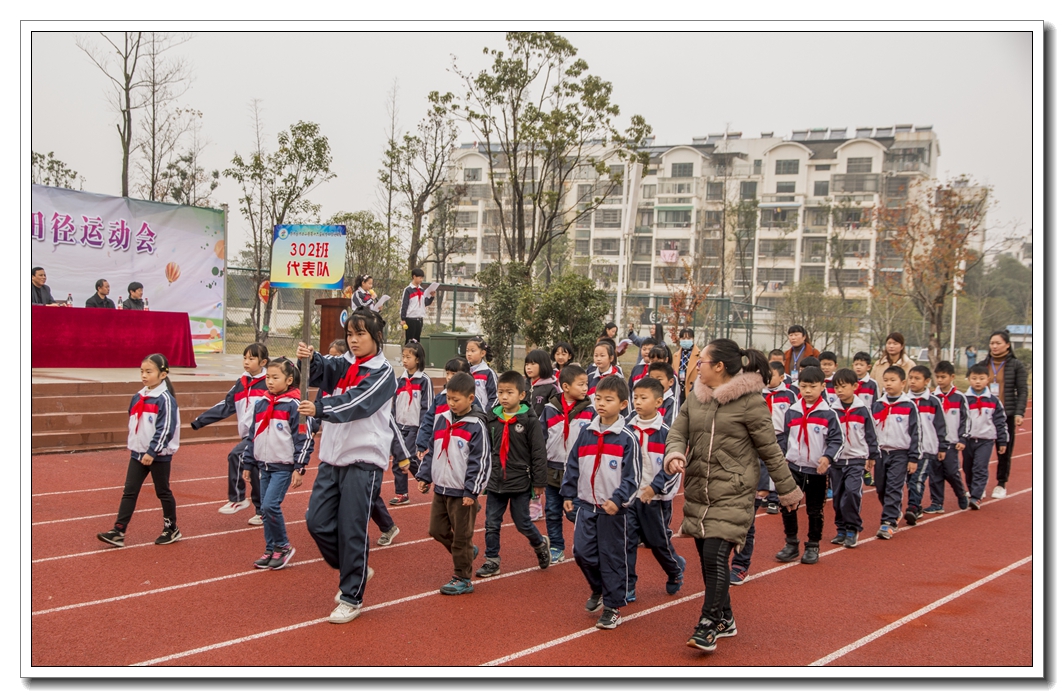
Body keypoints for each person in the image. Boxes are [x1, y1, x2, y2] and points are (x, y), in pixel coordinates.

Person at [664, 339, 802, 653]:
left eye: (703, 360)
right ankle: (725, 616)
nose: (697, 364)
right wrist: (674, 454)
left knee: (714, 556)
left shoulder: (751, 402)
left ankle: (709, 624)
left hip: (734, 491)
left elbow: (770, 450)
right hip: (700, 489)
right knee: (707, 559)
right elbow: (678, 431)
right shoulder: (696, 396)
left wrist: (787, 488)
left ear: (720, 366)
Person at [296, 307, 411, 623]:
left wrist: (320, 407)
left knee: (352, 530)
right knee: (316, 522)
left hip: (363, 461)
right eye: (350, 334)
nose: (354, 340)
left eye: (361, 334)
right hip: (332, 459)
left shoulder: (383, 373)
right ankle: (356, 568)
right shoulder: (343, 363)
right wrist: (307, 357)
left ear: (376, 337)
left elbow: (357, 403)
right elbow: (320, 369)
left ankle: (351, 596)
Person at [561, 374, 639, 630]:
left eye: (609, 399)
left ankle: (613, 607)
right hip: (586, 505)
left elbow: (632, 477)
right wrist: (568, 493)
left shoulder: (627, 437)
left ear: (623, 404)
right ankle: (599, 589)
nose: (601, 403)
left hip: (612, 511)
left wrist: (618, 500)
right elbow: (573, 463)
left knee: (611, 557)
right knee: (581, 553)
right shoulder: (587, 433)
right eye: (598, 398)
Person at [415, 372, 491, 595]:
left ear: (470, 398)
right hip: (442, 487)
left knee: (461, 536)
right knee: (436, 530)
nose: (451, 403)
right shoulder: (443, 419)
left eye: (456, 399)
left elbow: (480, 461)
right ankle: (468, 551)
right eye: (449, 398)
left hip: (462, 492)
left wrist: (472, 490)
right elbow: (433, 450)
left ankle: (463, 577)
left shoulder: (476, 426)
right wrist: (424, 476)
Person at [96, 354, 181, 547]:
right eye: (142, 371)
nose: (144, 375)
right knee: (129, 491)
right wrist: (138, 448)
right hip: (138, 454)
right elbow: (133, 420)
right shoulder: (138, 396)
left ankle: (171, 528)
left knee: (163, 492)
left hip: (158, 456)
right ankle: (118, 530)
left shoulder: (165, 400)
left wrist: (152, 451)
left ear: (163, 374)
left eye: (149, 372)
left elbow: (165, 429)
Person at [476, 371, 551, 577]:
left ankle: (539, 543)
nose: (504, 397)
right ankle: (492, 560)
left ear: (522, 395)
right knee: (491, 522)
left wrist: (539, 481)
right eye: (501, 392)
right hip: (495, 480)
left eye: (510, 392)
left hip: (520, 481)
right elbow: (485, 449)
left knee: (522, 523)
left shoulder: (529, 421)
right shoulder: (492, 419)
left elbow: (538, 452)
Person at [241, 358, 314, 570]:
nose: (270, 382)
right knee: (265, 510)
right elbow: (252, 434)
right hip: (264, 465)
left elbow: (304, 437)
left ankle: (282, 546)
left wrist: (299, 467)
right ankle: (270, 548)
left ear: (289, 380)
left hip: (283, 465)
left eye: (275, 377)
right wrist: (248, 463)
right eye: (268, 377)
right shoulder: (262, 403)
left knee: (270, 505)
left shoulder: (295, 406)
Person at [191, 343, 269, 525]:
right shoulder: (241, 383)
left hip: (262, 434)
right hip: (247, 436)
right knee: (255, 470)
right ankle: (262, 511)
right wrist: (200, 420)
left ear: (263, 361)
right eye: (244, 358)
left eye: (251, 358)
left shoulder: (269, 382)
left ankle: (237, 498)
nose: (246, 362)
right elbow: (226, 406)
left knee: (236, 455)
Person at [625, 376, 685, 603]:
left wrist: (654, 488)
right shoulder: (627, 428)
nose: (637, 402)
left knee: (657, 542)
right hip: (630, 497)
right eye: (635, 397)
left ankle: (675, 568)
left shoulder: (666, 432)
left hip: (655, 498)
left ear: (659, 401)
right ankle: (628, 585)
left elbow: (671, 468)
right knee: (627, 541)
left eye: (643, 398)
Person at [775, 366, 843, 566]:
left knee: (814, 510)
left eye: (812, 386)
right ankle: (791, 543)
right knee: (788, 505)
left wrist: (827, 458)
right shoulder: (792, 411)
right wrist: (785, 457)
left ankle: (813, 545)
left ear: (822, 386)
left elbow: (837, 440)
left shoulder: (829, 414)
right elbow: (786, 438)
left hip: (817, 471)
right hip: (794, 468)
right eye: (803, 386)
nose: (807, 391)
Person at [540, 363, 592, 564]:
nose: (585, 388)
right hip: (553, 468)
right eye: (580, 384)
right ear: (565, 386)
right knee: (552, 511)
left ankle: (587, 541)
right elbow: (541, 438)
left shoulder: (590, 411)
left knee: (575, 512)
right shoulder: (550, 410)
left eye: (586, 384)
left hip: (578, 471)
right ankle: (556, 546)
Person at [827, 369, 878, 548]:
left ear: (855, 386)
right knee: (838, 496)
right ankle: (841, 529)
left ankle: (852, 528)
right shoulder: (832, 410)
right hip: (838, 461)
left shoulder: (862, 410)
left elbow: (871, 434)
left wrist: (872, 455)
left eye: (843, 386)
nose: (839, 390)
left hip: (857, 459)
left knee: (851, 493)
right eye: (836, 387)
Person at [869, 366, 921, 540]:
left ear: (903, 383)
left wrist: (913, 457)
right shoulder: (877, 405)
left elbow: (916, 433)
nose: (888, 384)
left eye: (893, 380)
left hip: (900, 453)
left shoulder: (909, 406)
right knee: (881, 487)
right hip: (881, 453)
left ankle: (889, 522)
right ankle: (894, 510)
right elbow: (871, 431)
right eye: (886, 380)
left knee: (893, 487)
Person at [977, 330, 1028, 498]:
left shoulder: (1015, 365)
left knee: (1003, 450)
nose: (994, 346)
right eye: (992, 343)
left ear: (1007, 345)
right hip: (983, 414)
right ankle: (979, 484)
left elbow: (1022, 391)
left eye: (998, 343)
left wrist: (1019, 412)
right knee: (979, 451)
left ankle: (1001, 483)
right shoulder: (983, 364)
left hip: (1006, 414)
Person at [415, 357, 485, 463]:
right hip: (440, 447)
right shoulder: (439, 399)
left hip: (461, 451)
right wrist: (421, 443)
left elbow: (480, 426)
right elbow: (428, 421)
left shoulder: (473, 401)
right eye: (447, 373)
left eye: (453, 374)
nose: (449, 377)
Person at [903, 366, 948, 526]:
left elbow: (940, 425)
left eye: (917, 378)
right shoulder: (904, 400)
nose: (913, 381)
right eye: (911, 378)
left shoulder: (933, 401)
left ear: (927, 381)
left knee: (917, 479)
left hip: (927, 448)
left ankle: (913, 507)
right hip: (907, 448)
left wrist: (942, 446)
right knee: (908, 480)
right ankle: (917, 506)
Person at [390, 341, 433, 507]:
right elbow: (394, 404)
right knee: (399, 459)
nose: (405, 360)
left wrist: (424, 429)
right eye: (403, 357)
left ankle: (423, 476)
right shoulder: (399, 380)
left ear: (418, 359)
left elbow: (427, 407)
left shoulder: (424, 381)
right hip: (399, 426)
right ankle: (402, 493)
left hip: (415, 427)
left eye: (408, 357)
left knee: (408, 456)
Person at [962, 364, 1009, 510]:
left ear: (987, 380)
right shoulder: (964, 400)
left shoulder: (994, 401)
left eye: (981, 378)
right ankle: (972, 489)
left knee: (980, 466)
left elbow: (1000, 422)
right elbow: (960, 420)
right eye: (974, 378)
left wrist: (1002, 441)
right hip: (968, 440)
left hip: (985, 440)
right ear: (968, 379)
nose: (977, 382)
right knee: (967, 467)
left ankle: (976, 496)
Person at [927, 361, 971, 514]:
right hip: (935, 443)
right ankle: (937, 502)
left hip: (952, 442)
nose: (940, 380)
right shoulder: (932, 397)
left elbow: (966, 419)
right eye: (937, 377)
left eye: (943, 377)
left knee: (952, 472)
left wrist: (962, 438)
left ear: (952, 377)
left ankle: (961, 493)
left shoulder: (959, 397)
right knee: (935, 474)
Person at [400, 268, 435, 343]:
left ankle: (415, 355)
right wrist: (403, 318)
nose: (421, 280)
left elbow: (425, 303)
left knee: (417, 341)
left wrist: (432, 297)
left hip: (419, 319)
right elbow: (404, 304)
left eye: (422, 278)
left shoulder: (422, 290)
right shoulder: (408, 290)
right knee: (410, 341)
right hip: (410, 319)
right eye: (420, 278)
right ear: (414, 276)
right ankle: (407, 354)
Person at [466, 337, 499, 411]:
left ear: (482, 353)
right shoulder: (464, 371)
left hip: (483, 416)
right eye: (467, 351)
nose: (469, 354)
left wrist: (485, 414)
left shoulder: (488, 373)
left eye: (473, 351)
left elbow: (495, 397)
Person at [524, 348, 557, 417]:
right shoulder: (522, 385)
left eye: (533, 364)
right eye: (527, 364)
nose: (528, 367)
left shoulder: (551, 388)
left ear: (543, 365)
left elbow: (554, 412)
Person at [672, 328, 699, 408]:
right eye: (683, 338)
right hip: (679, 389)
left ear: (693, 339)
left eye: (689, 338)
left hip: (692, 390)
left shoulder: (699, 355)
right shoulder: (676, 355)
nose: (686, 340)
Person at [647, 361, 677, 426]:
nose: (654, 382)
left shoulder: (671, 402)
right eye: (651, 379)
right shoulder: (646, 399)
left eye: (659, 379)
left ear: (671, 382)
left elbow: (671, 426)